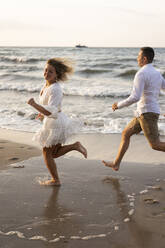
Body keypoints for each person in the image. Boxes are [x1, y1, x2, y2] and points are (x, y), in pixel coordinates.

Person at [102, 47, 165, 171]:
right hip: (144, 113)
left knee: (155, 145)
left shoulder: (141, 73)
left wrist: (118, 105)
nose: (137, 59)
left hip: (147, 113)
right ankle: (116, 163)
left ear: (145, 58)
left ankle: (116, 163)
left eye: (139, 57)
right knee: (126, 133)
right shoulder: (157, 73)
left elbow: (135, 97)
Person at [28, 58, 87, 186]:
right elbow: (47, 106)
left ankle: (56, 180)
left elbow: (52, 112)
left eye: (50, 72)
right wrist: (41, 113)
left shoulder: (56, 89)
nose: (46, 73)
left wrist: (34, 105)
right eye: (45, 70)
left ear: (57, 75)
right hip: (51, 122)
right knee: (53, 153)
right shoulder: (46, 85)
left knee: (46, 152)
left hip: (55, 124)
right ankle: (75, 146)